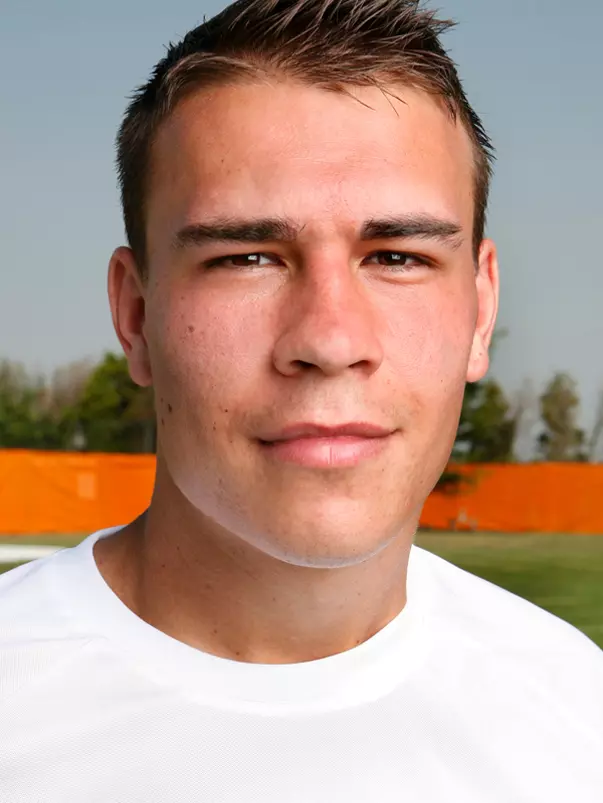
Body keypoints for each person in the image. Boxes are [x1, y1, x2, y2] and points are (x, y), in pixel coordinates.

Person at [1, 0, 602, 799]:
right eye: (247, 256)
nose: (327, 338)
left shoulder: (576, 715)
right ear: (135, 314)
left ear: (481, 309)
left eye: (396, 256)